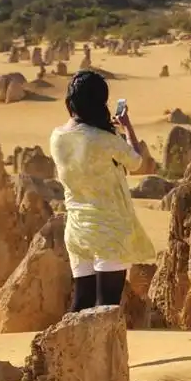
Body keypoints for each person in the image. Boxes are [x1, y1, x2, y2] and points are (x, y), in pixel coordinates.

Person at [49, 70, 156, 312]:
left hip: (76, 230)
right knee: (106, 307)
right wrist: (126, 127)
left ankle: (70, 348)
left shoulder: (56, 137)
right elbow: (137, 162)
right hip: (108, 229)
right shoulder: (102, 138)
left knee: (82, 303)